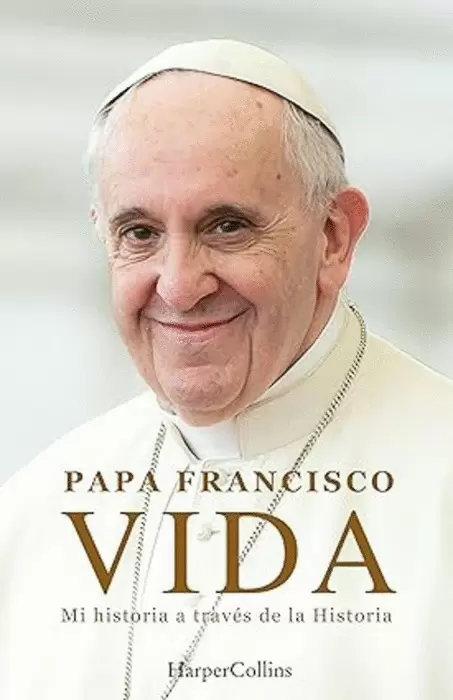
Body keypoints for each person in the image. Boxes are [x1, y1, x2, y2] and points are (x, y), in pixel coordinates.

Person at [0, 39, 452, 700]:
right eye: (140, 233)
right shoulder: (33, 513)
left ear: (333, 238)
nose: (179, 287)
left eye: (227, 226)